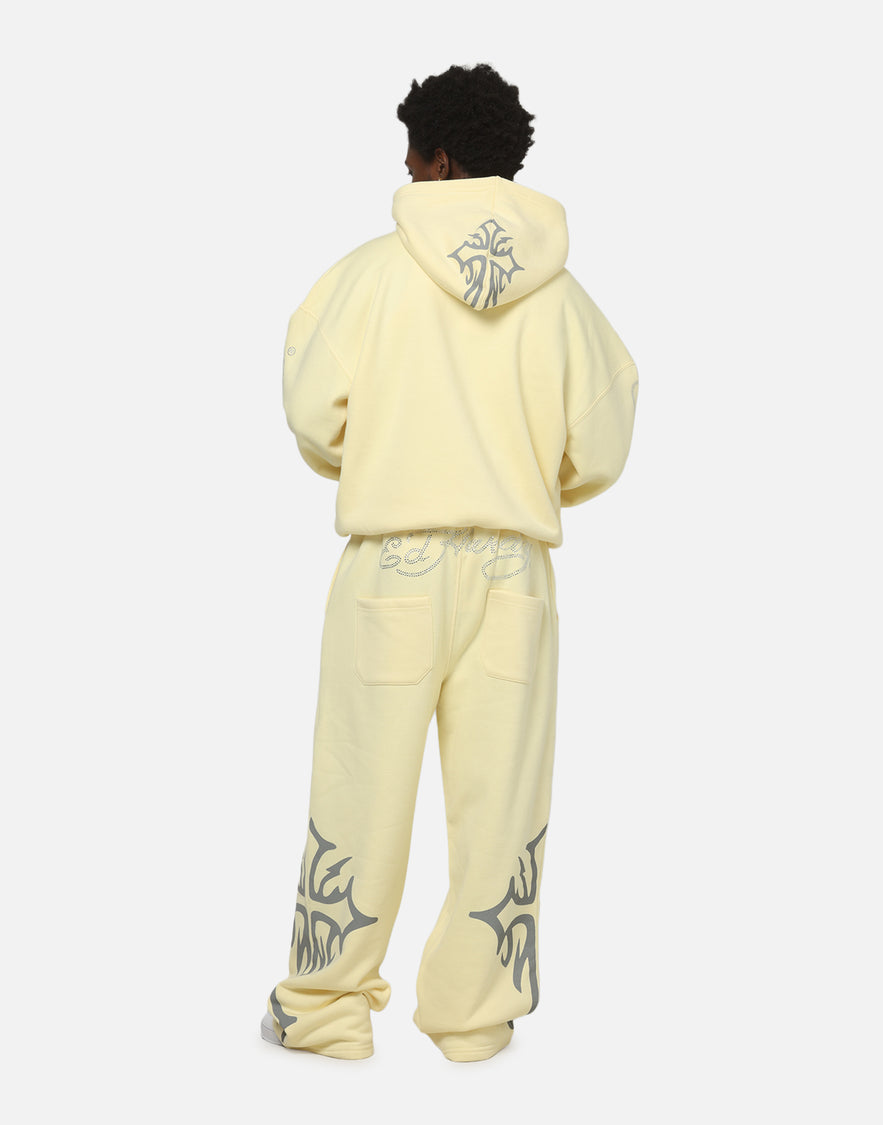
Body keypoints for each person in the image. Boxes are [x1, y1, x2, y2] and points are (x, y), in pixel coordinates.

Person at [261, 62, 639, 1063]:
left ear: (436, 158)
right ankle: (475, 1018)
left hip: (393, 563)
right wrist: (521, 480)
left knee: (360, 783)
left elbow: (313, 413)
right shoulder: (566, 299)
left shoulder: (368, 276)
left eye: (409, 152)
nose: (403, 168)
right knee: (502, 797)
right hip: (513, 573)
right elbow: (602, 443)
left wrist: (384, 456)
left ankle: (324, 1008)